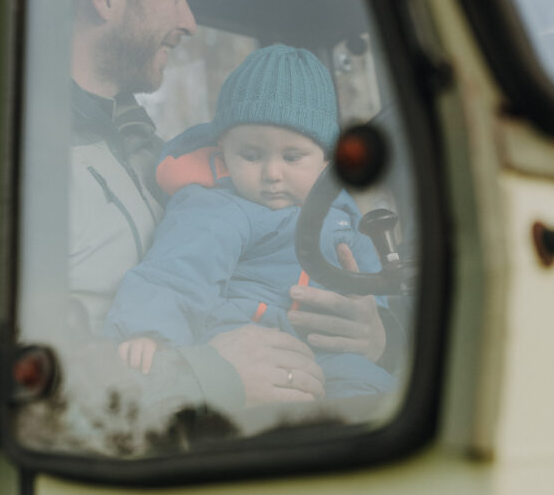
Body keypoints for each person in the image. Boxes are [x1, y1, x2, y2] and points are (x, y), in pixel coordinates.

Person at [69, 0, 403, 414]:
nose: (189, 21)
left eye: (293, 156)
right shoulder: (15, 168)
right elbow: (175, 276)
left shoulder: (143, 151)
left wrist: (381, 334)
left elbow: (375, 281)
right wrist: (203, 376)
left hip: (327, 367)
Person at [102, 45, 395, 400]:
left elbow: (367, 281)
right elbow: (176, 272)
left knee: (376, 397)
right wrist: (148, 331)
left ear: (325, 158)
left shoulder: (341, 212)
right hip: (251, 347)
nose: (272, 173)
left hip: (332, 352)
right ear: (224, 146)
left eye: (292, 156)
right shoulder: (217, 206)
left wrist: (377, 320)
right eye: (251, 155)